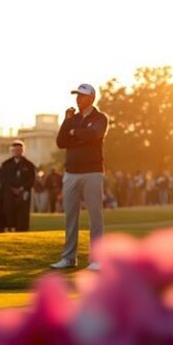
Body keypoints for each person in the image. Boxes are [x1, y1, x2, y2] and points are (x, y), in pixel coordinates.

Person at [50, 83, 108, 271]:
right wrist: (67, 123)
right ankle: (68, 258)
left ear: (91, 98)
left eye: (82, 96)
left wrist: (75, 133)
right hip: (71, 173)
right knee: (70, 217)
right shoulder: (71, 119)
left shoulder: (100, 118)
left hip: (92, 172)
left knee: (95, 216)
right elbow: (61, 141)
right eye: (77, 96)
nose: (78, 99)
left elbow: (94, 134)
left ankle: (97, 259)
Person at [0, 141, 36, 232]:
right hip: (9, 193)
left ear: (23, 151)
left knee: (23, 214)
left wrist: (22, 188)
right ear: (12, 151)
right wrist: (11, 189)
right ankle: (9, 229)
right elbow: (2, 179)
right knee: (9, 212)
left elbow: (32, 179)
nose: (18, 152)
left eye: (20, 150)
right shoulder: (6, 164)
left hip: (23, 193)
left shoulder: (29, 165)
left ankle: (22, 231)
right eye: (16, 150)